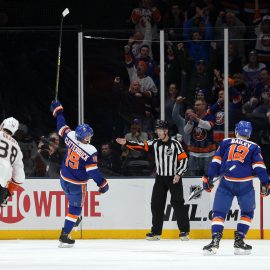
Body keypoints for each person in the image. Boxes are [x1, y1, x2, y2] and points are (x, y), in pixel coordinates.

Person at [202, 121, 270, 255]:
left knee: (219, 213)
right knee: (247, 213)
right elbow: (259, 167)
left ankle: (215, 242)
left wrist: (209, 177)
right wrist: (266, 183)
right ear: (249, 134)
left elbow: (216, 161)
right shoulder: (254, 147)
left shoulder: (226, 142)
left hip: (226, 183)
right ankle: (239, 242)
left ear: (236, 131)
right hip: (245, 184)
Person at [116, 119, 190, 240]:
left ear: (166, 131)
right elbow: (141, 146)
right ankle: (156, 232)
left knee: (178, 203)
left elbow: (184, 160)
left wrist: (179, 174)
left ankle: (184, 231)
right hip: (160, 178)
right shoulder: (155, 143)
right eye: (157, 130)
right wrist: (127, 142)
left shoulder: (175, 144)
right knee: (156, 204)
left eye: (160, 130)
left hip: (173, 178)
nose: (158, 132)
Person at [50, 100, 109, 248]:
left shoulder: (70, 136)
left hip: (64, 180)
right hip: (77, 184)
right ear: (85, 137)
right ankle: (65, 235)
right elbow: (93, 172)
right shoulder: (90, 150)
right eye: (88, 136)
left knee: (72, 205)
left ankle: (72, 219)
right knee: (75, 209)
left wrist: (58, 111)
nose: (90, 138)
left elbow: (61, 126)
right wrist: (102, 184)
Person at [0, 117, 25, 207]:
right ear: (14, 132)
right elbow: (20, 176)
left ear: (2, 125)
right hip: (2, 183)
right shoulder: (17, 147)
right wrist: (8, 192)